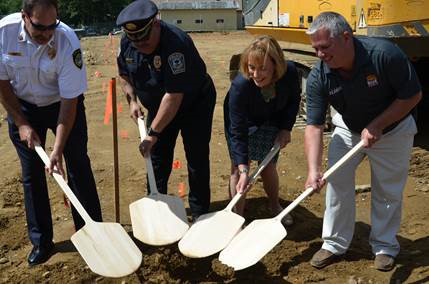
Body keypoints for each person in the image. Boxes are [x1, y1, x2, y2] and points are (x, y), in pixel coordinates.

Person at [304, 12, 422, 271]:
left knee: (388, 190)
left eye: (324, 47)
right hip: (349, 127)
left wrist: (378, 124)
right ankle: (334, 243)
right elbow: (313, 126)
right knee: (337, 182)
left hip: (394, 129)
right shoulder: (319, 76)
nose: (319, 54)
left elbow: (412, 95)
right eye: (315, 49)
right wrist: (313, 170)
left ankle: (384, 246)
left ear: (346, 37)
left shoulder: (384, 55)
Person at [0, 0, 103, 266]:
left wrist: (56, 149)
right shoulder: (4, 33)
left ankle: (91, 232)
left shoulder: (67, 41)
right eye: (39, 28)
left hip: (62, 105)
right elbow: (2, 83)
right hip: (23, 106)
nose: (47, 34)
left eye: (52, 26)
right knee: (32, 173)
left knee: (78, 163)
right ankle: (41, 241)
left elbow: (70, 103)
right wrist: (21, 123)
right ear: (24, 16)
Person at [116, 0, 216, 221]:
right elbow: (124, 75)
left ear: (156, 24)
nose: (140, 45)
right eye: (136, 42)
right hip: (160, 106)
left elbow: (174, 96)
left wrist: (152, 134)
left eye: (145, 40)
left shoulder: (176, 43)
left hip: (194, 103)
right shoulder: (127, 43)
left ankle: (200, 214)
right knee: (158, 157)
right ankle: (156, 206)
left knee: (196, 156)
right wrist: (132, 100)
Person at [224, 36, 301, 225]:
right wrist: (243, 169)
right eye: (252, 67)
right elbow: (237, 131)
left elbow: (293, 100)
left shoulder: (289, 72)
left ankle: (274, 206)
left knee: (268, 165)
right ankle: (237, 218)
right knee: (237, 168)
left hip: (272, 117)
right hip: (243, 122)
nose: (256, 74)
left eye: (263, 68)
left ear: (276, 65)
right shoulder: (240, 87)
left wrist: (285, 128)